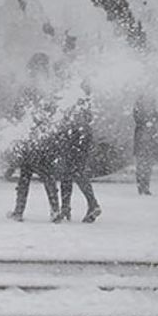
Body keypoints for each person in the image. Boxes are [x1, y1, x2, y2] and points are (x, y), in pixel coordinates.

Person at [56, 93, 101, 224]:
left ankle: (92, 204)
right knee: (70, 173)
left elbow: (69, 118)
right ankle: (66, 207)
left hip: (74, 137)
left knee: (73, 172)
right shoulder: (83, 100)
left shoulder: (74, 95)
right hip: (80, 137)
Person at [132, 96, 158, 196]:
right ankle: (142, 187)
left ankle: (144, 187)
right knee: (143, 166)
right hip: (143, 143)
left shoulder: (152, 114)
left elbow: (156, 126)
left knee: (145, 166)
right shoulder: (142, 117)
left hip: (147, 143)